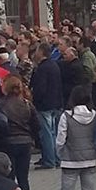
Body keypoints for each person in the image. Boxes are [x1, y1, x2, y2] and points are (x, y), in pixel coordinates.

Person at [0, 74, 40, 190]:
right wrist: (31, 135)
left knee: (9, 176)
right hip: (25, 142)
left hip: (8, 142)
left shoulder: (1, 105)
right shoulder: (27, 104)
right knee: (23, 177)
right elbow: (37, 125)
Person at [32, 42, 64, 170]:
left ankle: (49, 160)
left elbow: (41, 88)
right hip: (55, 102)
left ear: (42, 52)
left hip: (45, 104)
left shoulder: (43, 68)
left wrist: (36, 99)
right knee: (54, 133)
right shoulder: (54, 65)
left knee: (46, 133)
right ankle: (56, 158)